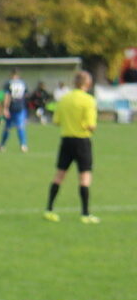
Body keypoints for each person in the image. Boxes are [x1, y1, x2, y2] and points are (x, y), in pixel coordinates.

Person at [45, 70, 100, 224]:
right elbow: (91, 125)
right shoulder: (89, 100)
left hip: (66, 140)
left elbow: (56, 121)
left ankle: (49, 209)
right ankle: (85, 213)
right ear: (87, 84)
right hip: (82, 141)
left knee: (59, 175)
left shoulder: (64, 99)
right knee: (84, 176)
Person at [0, 68, 29, 152]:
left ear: (11, 74)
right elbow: (25, 96)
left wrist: (5, 108)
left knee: (7, 127)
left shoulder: (9, 83)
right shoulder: (23, 83)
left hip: (12, 107)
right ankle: (23, 145)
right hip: (20, 107)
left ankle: (2, 145)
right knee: (20, 126)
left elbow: (7, 96)